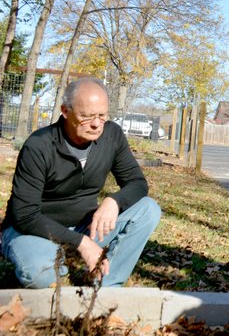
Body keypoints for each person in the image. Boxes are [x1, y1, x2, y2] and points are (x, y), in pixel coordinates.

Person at [2, 77, 161, 288]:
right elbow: (25, 215)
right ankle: (49, 260)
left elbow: (138, 183)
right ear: (65, 111)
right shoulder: (39, 145)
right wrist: (81, 243)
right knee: (42, 276)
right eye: (86, 116)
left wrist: (114, 201)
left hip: (84, 226)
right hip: (34, 230)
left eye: (102, 116)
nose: (96, 124)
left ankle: (106, 286)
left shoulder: (111, 135)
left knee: (148, 209)